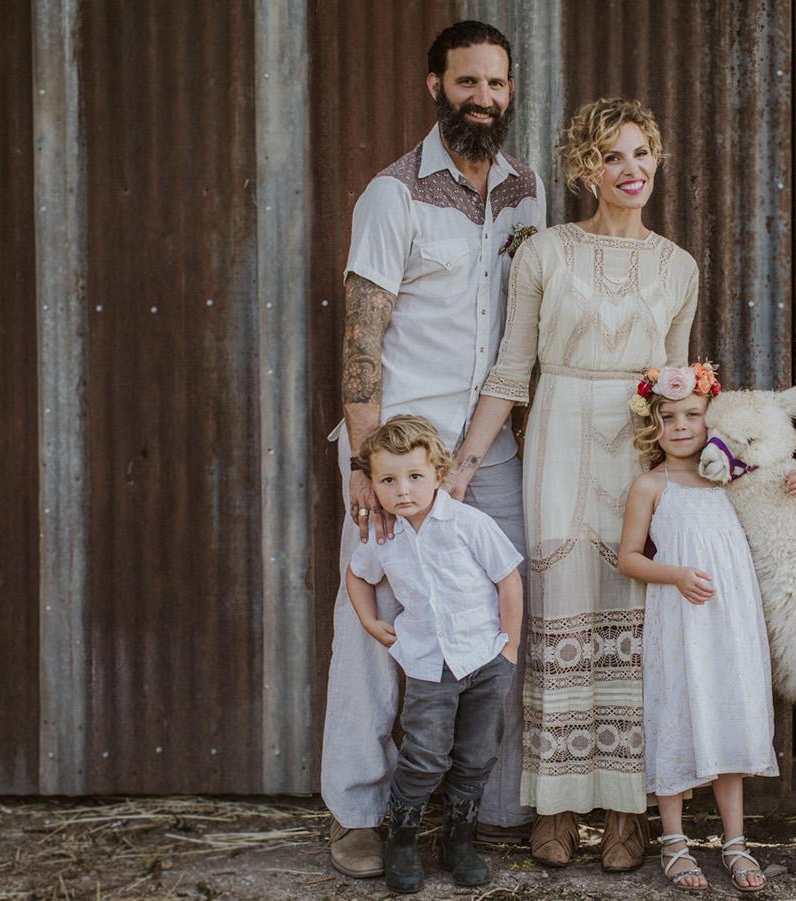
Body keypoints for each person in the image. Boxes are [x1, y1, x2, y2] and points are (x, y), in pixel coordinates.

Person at [451, 97, 796, 872]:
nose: (631, 169)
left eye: (642, 153)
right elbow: (513, 372)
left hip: (645, 452)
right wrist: (462, 466)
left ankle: (628, 811)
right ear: (587, 168)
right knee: (560, 607)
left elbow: (686, 393)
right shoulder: (543, 254)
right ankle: (554, 804)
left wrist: (767, 468)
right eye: (613, 156)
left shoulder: (677, 265)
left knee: (640, 618)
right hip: (559, 434)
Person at [322, 20, 544, 878]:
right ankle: (358, 811)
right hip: (403, 457)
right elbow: (361, 338)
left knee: (501, 612)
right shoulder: (393, 194)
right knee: (378, 624)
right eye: (466, 84)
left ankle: (480, 805)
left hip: (488, 452)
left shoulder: (525, 190)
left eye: (496, 84)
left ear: (510, 90)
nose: (482, 99)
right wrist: (363, 465)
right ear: (434, 87)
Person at [618, 364, 777, 893]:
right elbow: (628, 559)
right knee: (679, 709)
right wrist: (676, 575)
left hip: (731, 619)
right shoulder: (650, 485)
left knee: (728, 710)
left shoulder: (729, 478)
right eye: (669, 417)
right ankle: (674, 841)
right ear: (654, 424)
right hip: (682, 616)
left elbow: (781, 485)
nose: (681, 426)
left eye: (692, 415)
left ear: (712, 421)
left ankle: (735, 842)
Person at [346, 416, 523, 891]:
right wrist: (367, 619)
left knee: (477, 753)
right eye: (388, 480)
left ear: (438, 475)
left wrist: (509, 647)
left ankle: (457, 841)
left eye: (415, 476)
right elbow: (357, 575)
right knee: (424, 754)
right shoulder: (384, 538)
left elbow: (508, 578)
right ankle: (402, 842)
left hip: (485, 660)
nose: (402, 490)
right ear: (374, 484)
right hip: (428, 667)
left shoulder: (468, 523)